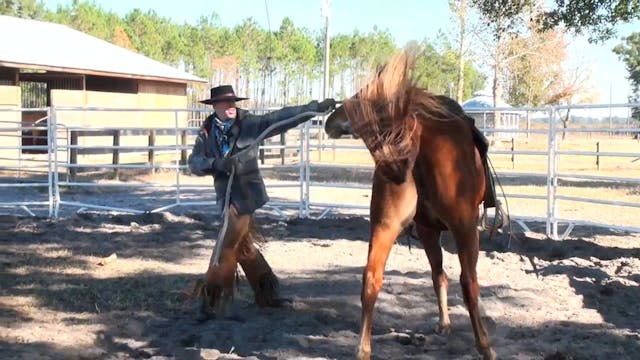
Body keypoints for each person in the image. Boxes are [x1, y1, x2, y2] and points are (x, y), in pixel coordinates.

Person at [188, 84, 335, 316]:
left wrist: (314, 108)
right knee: (243, 247)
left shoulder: (249, 124)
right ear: (214, 106)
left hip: (245, 198)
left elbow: (281, 117)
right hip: (225, 199)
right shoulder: (206, 132)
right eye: (225, 102)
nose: (230, 106)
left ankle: (213, 299)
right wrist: (217, 164)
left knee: (225, 246)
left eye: (233, 101)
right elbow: (193, 162)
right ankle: (266, 292)